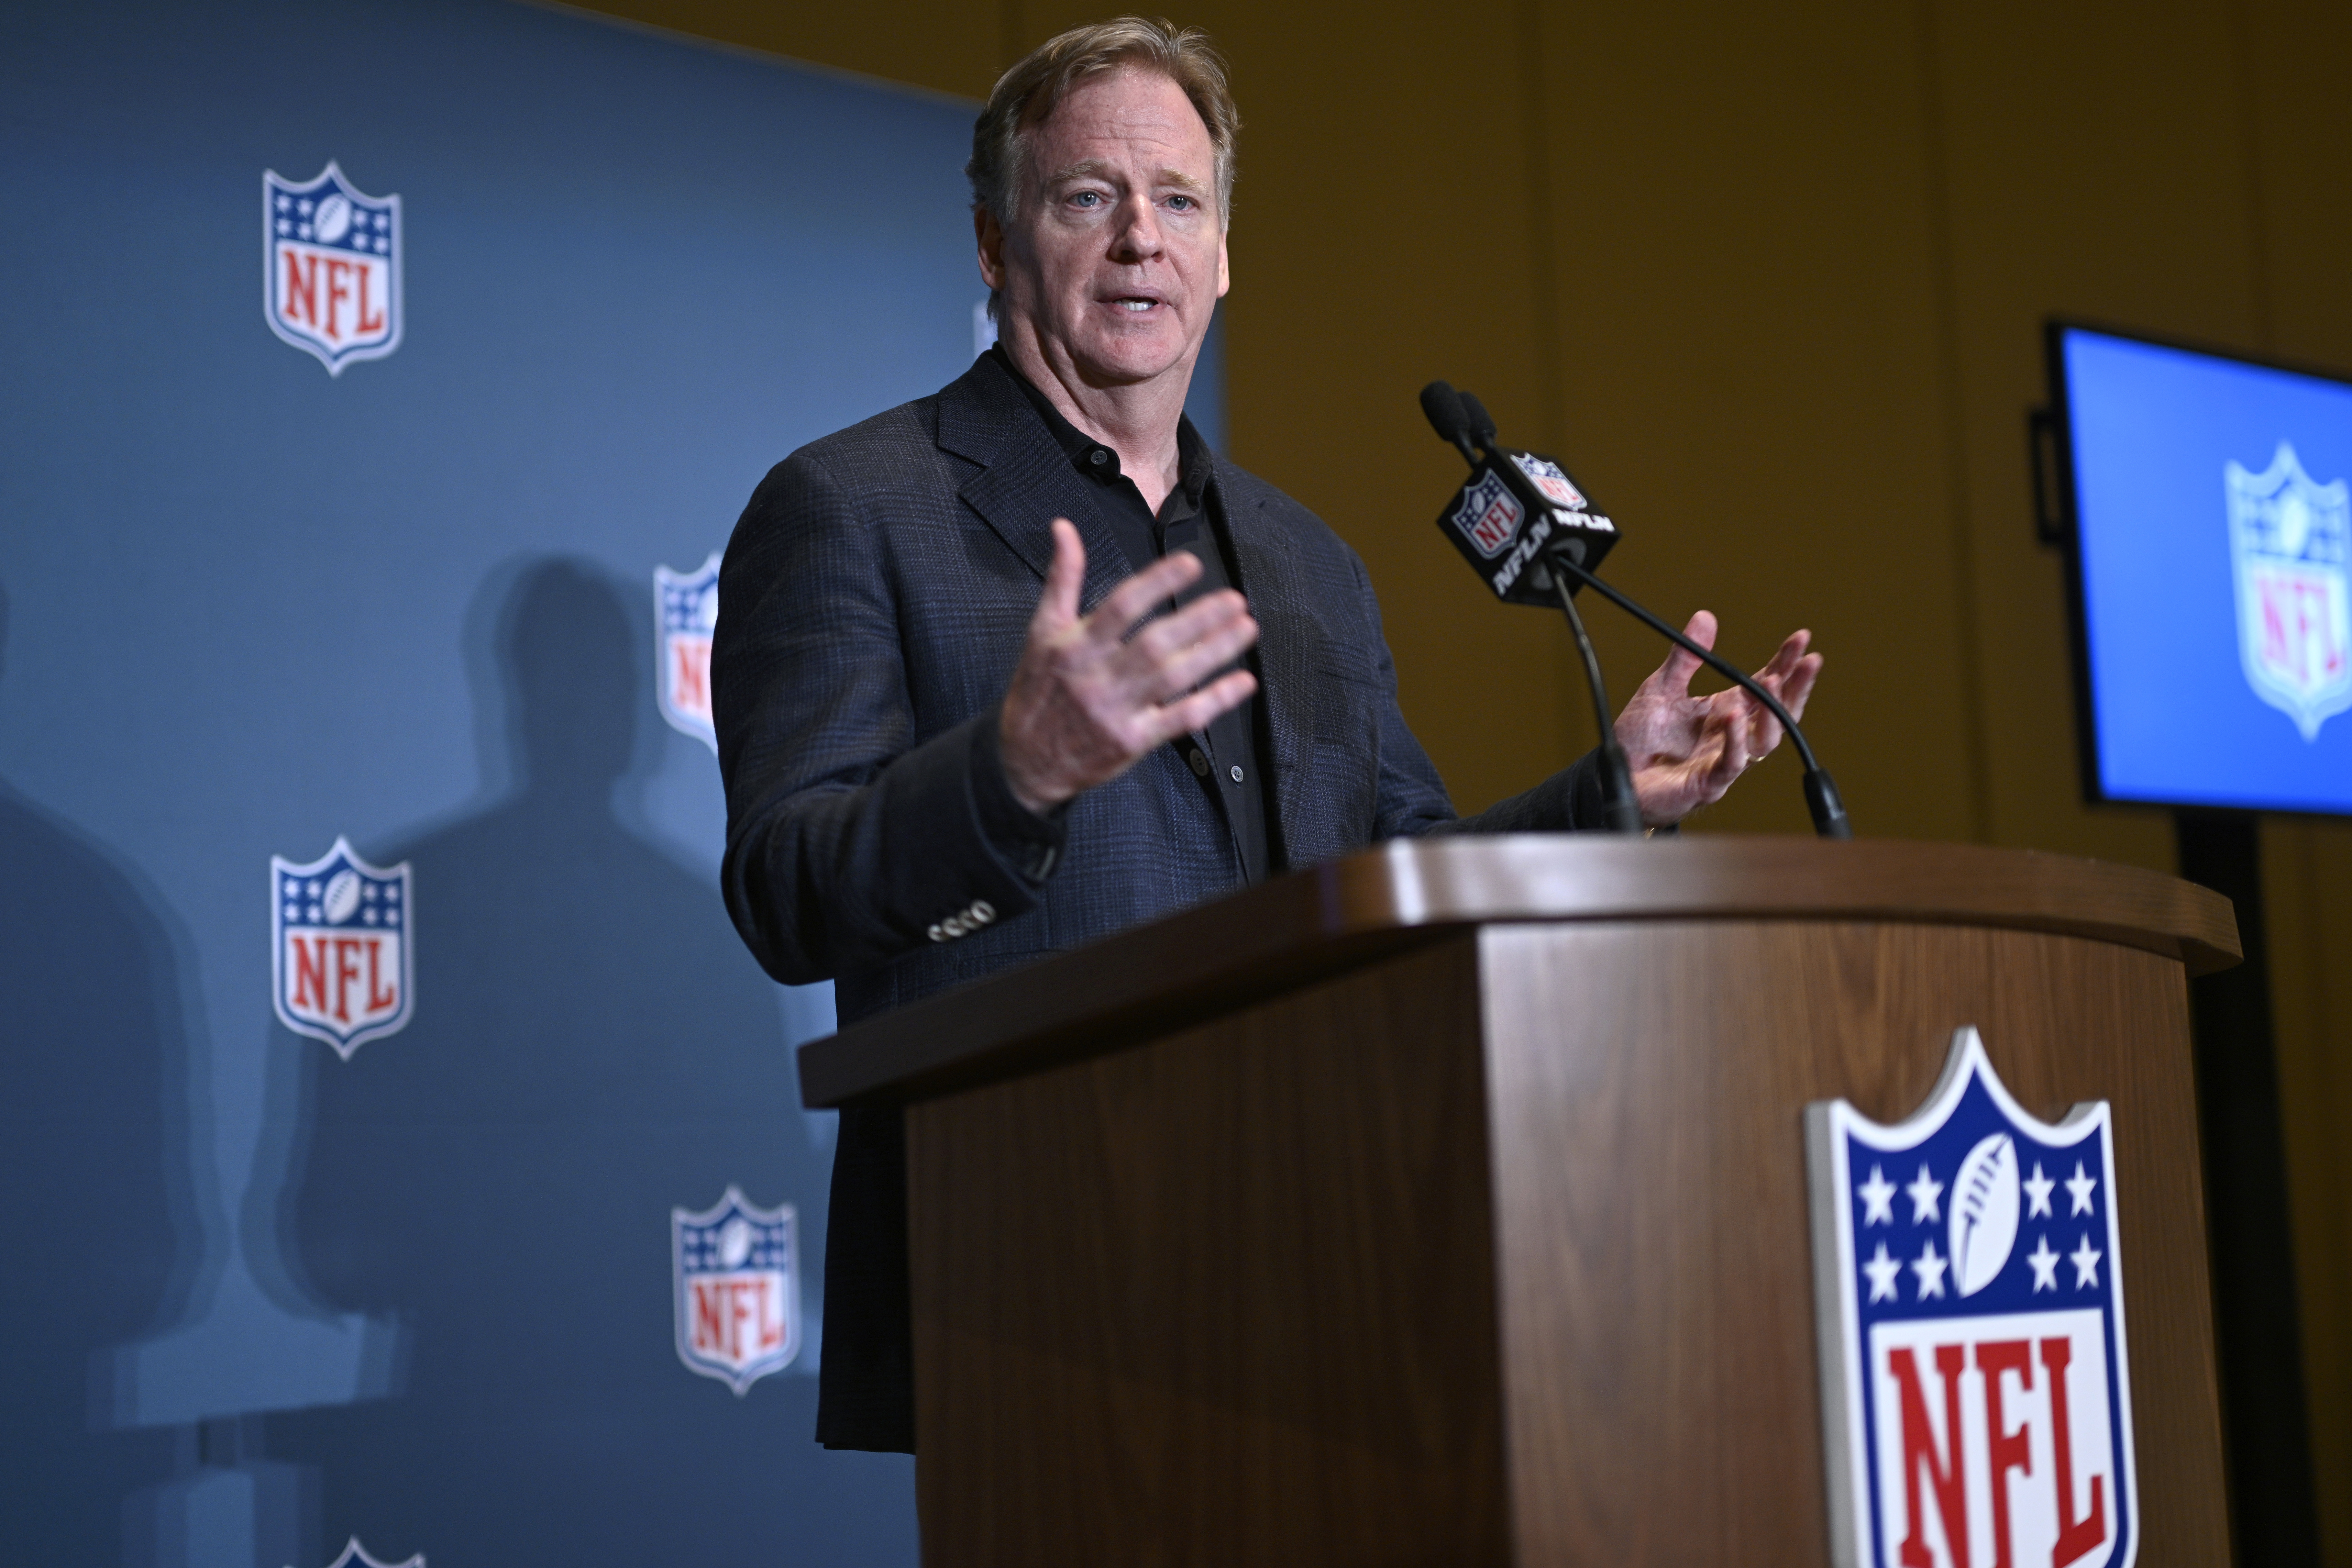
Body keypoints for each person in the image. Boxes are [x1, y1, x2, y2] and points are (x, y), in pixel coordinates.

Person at [711, 16, 1822, 1454]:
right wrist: (1015, 773)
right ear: (993, 245)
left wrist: (1614, 797)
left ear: (1226, 252)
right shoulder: (851, 506)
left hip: (1336, 1265)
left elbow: (1398, 885)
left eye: (1179, 200)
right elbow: (789, 888)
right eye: (1085, 197)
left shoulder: (1308, 565)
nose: (1139, 242)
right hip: (1034, 1293)